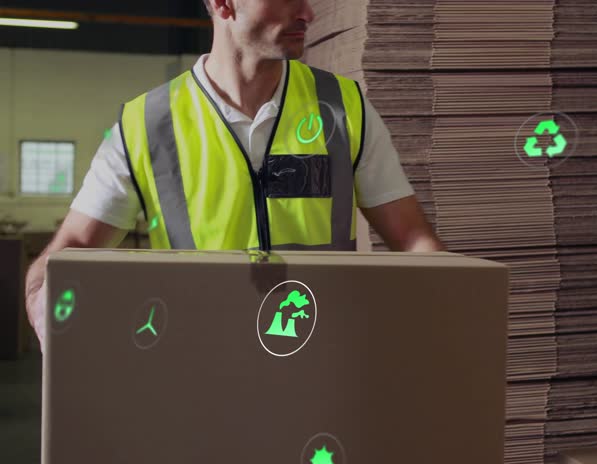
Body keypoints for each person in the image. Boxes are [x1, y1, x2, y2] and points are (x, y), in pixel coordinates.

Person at [24, 0, 444, 351]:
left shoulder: (343, 108)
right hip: (201, 369)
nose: (308, 13)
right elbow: (70, 250)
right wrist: (44, 300)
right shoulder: (145, 125)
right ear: (224, 3)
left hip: (320, 364)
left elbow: (412, 238)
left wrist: (454, 301)